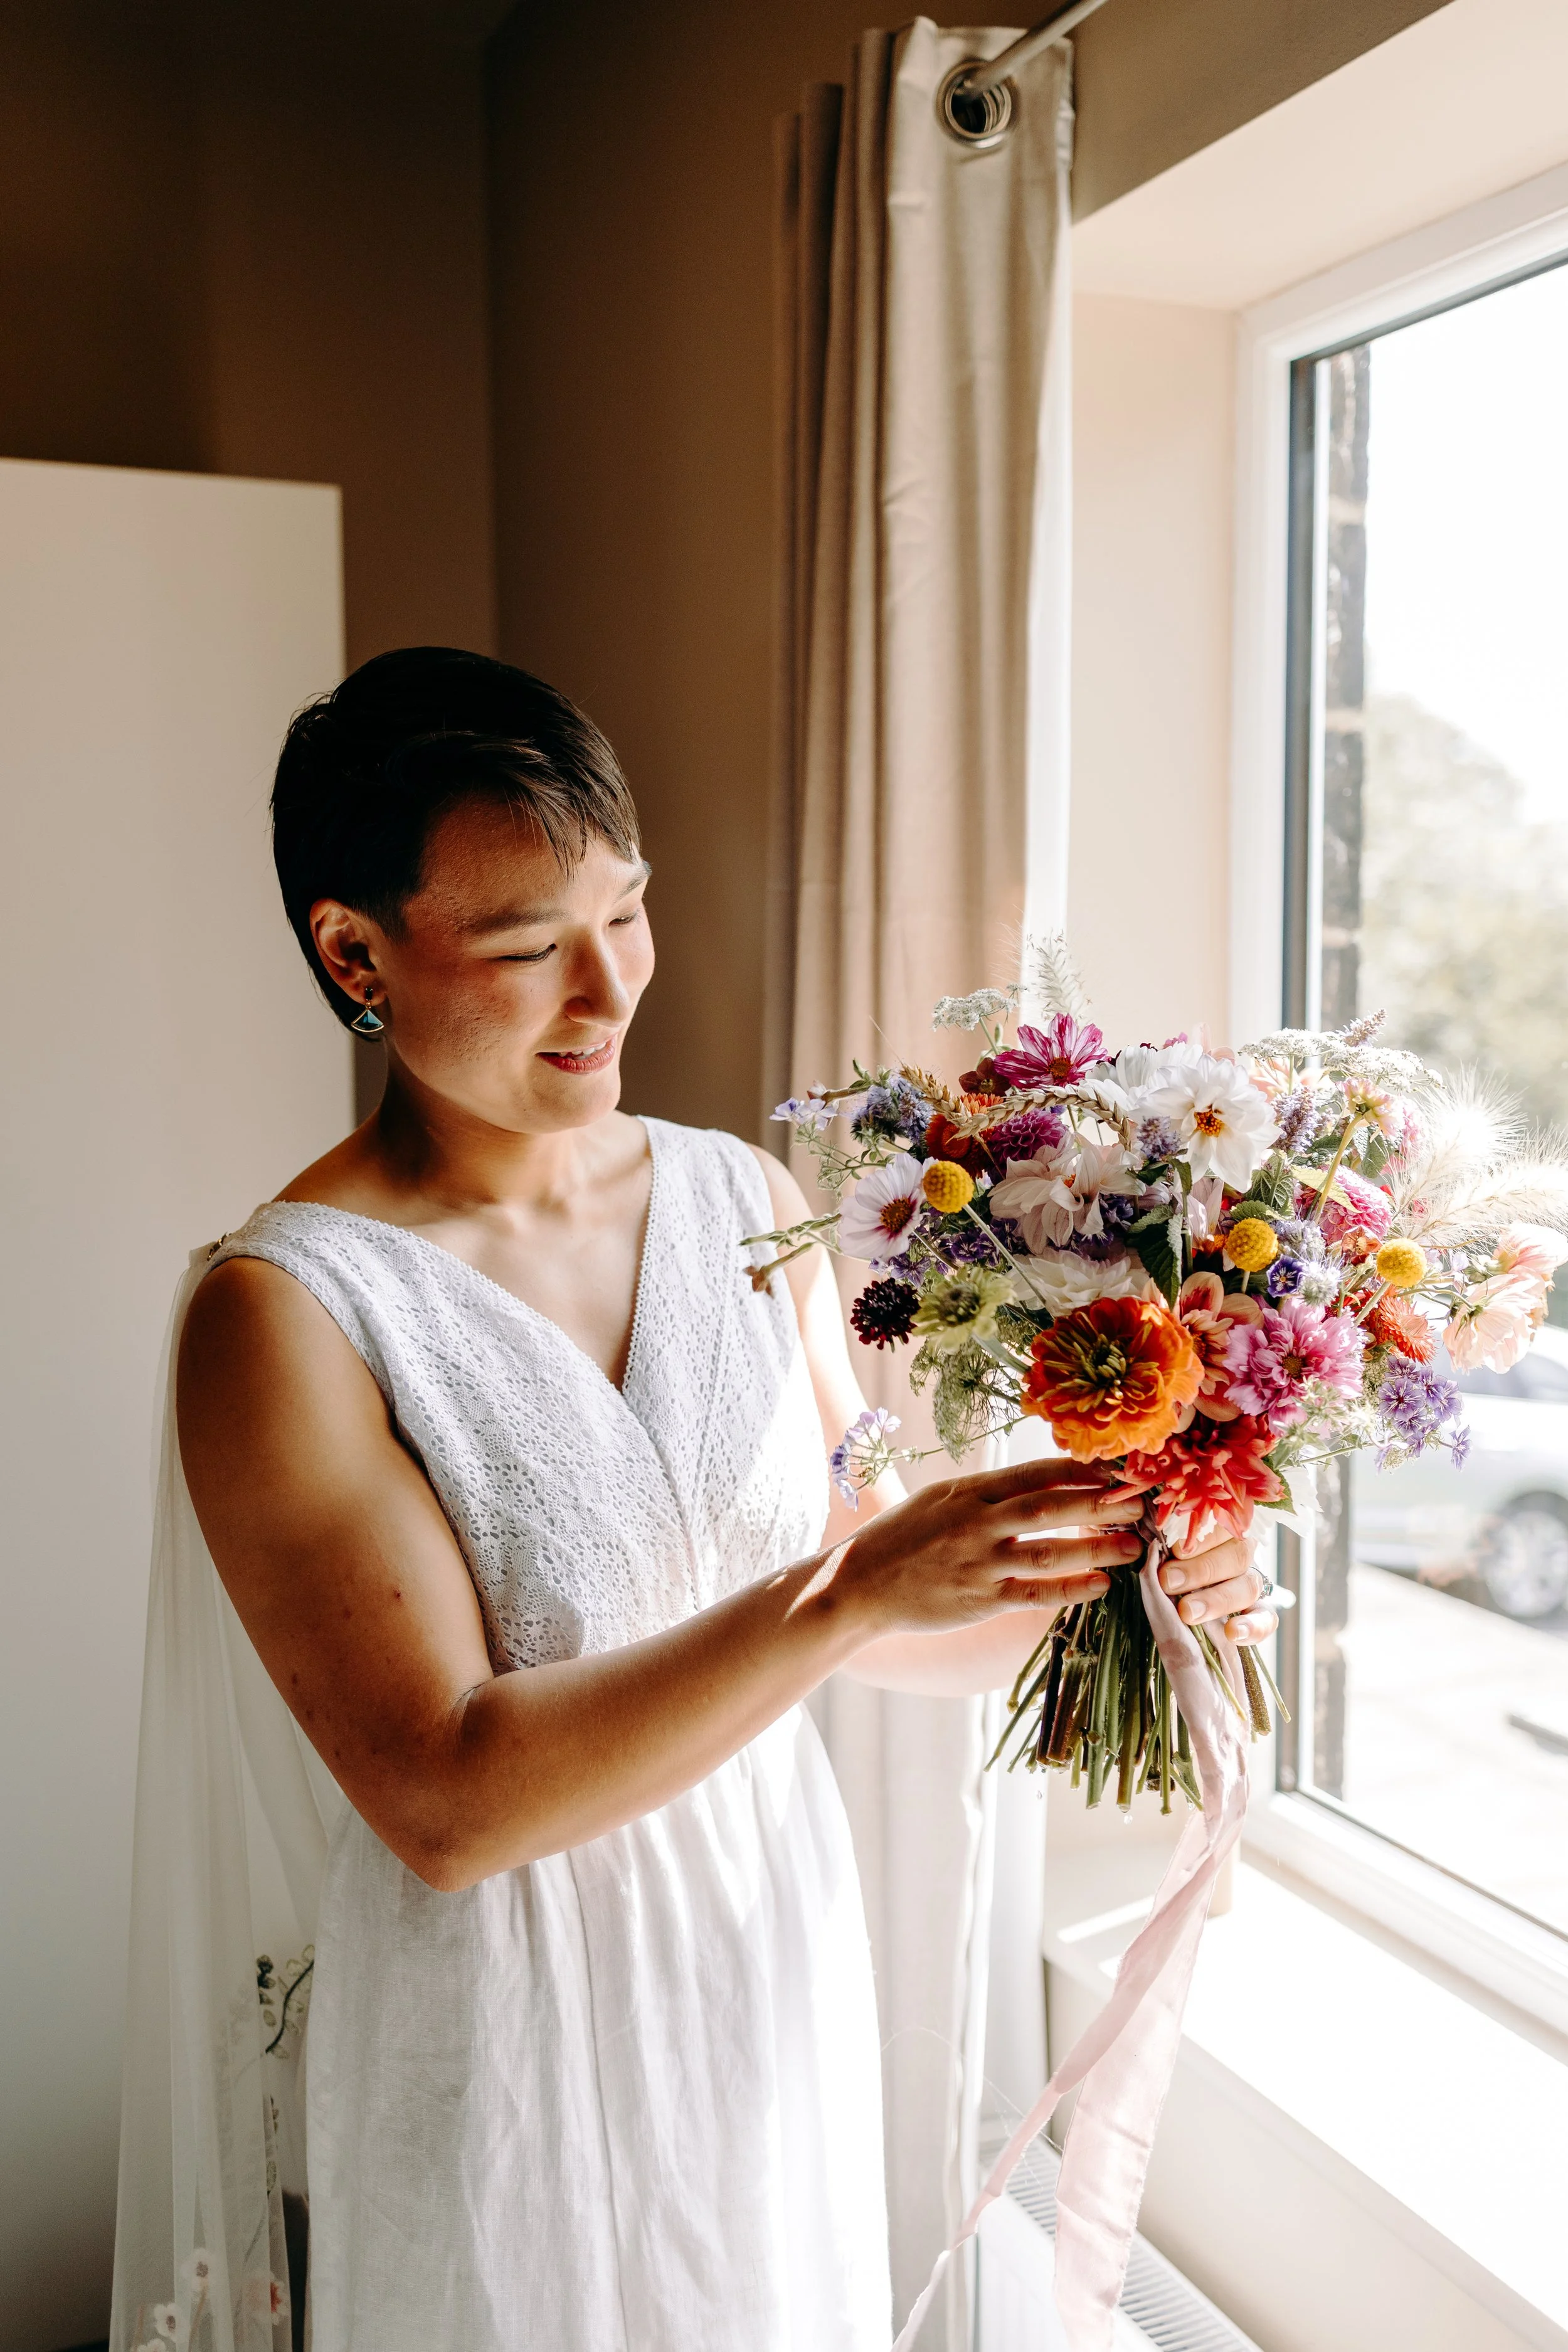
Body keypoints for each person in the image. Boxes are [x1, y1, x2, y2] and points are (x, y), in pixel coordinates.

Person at [113, 648, 1273, 2352]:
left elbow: (868, 1612)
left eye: (628, 916)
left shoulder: (739, 1193)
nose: (607, 991)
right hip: (506, 2017)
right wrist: (855, 1594)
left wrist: (1114, 1580)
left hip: (765, 1958)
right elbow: (449, 1802)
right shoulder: (282, 1312)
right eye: (525, 949)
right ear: (352, 951)